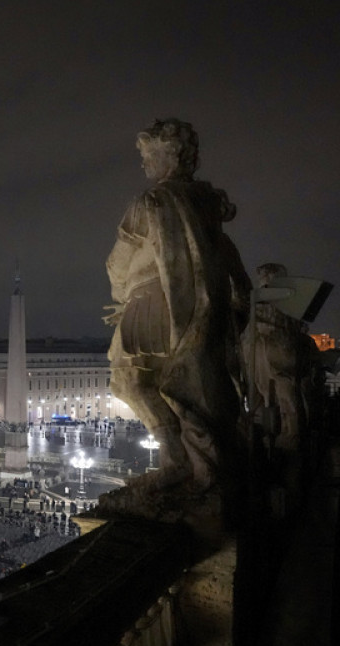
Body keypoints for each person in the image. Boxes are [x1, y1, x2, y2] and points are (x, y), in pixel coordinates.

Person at [103, 118, 250, 494]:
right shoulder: (206, 206)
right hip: (200, 307)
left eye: (146, 153)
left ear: (167, 155)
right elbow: (228, 261)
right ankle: (199, 461)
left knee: (129, 379)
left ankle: (176, 458)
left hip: (151, 302)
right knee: (179, 380)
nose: (142, 162)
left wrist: (121, 294)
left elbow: (116, 262)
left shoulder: (149, 202)